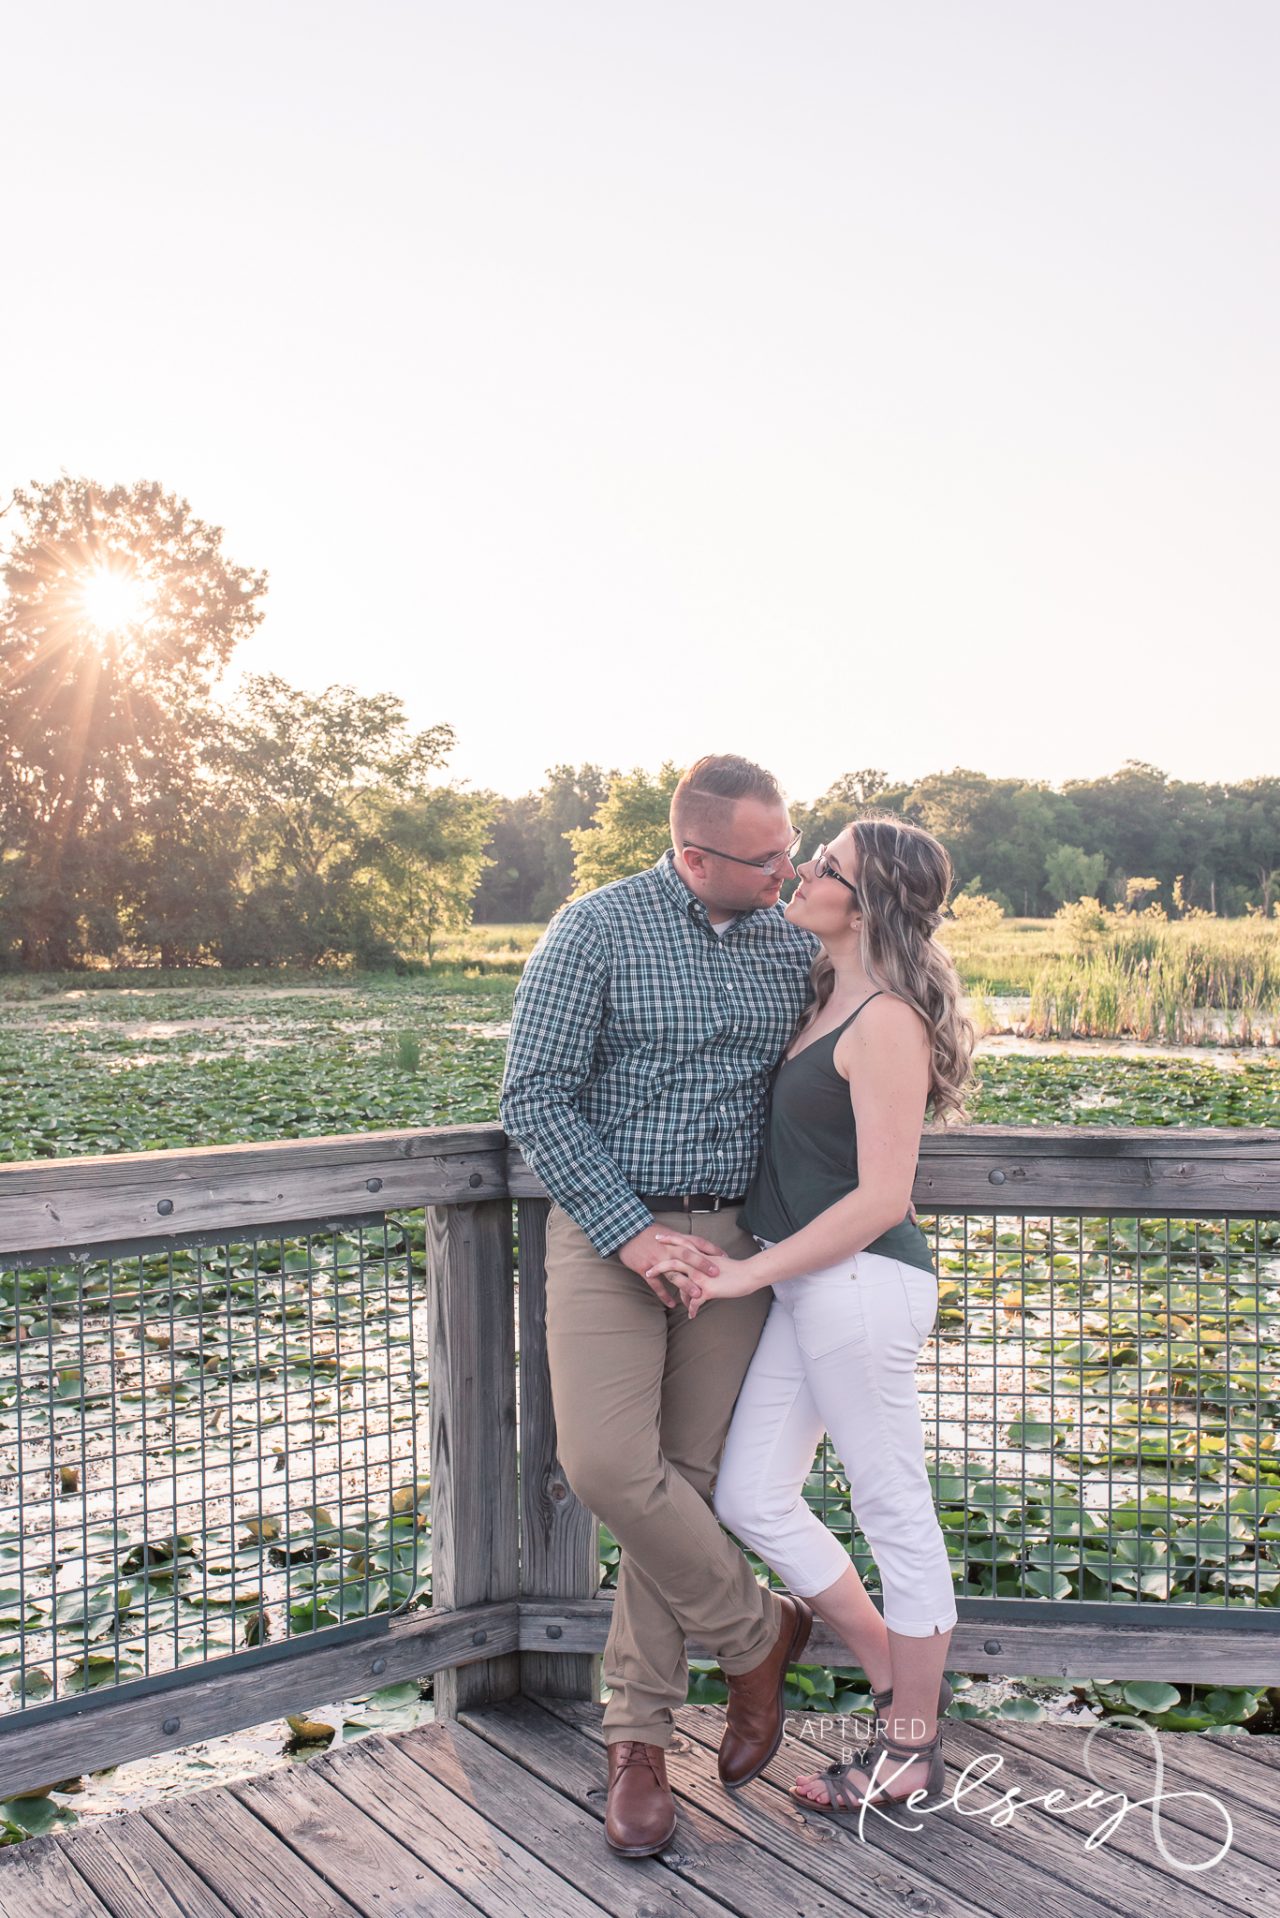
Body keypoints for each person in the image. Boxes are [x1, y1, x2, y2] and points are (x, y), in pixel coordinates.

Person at [499, 754, 821, 1857]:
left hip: (734, 1243)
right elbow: (530, 1091)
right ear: (694, 855)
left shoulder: (794, 941)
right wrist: (629, 1231)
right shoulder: (594, 929)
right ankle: (757, 1632)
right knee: (603, 1466)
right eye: (765, 856)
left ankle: (633, 1739)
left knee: (679, 1480)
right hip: (608, 1234)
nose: (789, 867)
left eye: (791, 847)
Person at [645, 814, 974, 1822]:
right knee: (750, 1494)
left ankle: (910, 1748)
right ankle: (886, 1667)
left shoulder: (884, 1020)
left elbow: (881, 1196)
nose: (800, 873)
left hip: (861, 1284)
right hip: (811, 1286)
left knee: (891, 1506)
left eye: (823, 867)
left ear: (864, 903)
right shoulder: (825, 981)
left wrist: (745, 1275)